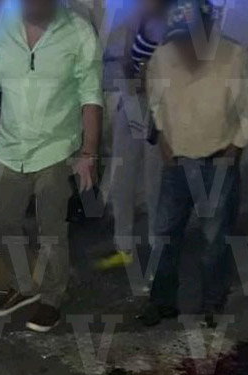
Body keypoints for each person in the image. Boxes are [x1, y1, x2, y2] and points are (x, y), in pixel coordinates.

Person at [0, 0, 104, 332]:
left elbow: (91, 96)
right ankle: (23, 286)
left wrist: (89, 152)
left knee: (51, 230)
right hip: (9, 147)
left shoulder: (79, 32)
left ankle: (52, 297)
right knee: (1, 221)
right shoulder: (1, 26)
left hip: (57, 149)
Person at [137, 0, 248, 326]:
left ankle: (212, 303)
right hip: (177, 162)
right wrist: (163, 137)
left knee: (214, 240)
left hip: (218, 162)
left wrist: (234, 150)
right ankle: (162, 301)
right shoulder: (163, 56)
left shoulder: (234, 56)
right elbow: (156, 102)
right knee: (165, 236)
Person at [94, 0, 168, 273]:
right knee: (122, 175)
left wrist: (147, 81)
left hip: (158, 107)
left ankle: (159, 250)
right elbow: (127, 57)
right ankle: (123, 244)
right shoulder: (138, 15)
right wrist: (131, 82)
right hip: (131, 102)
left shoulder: (173, 18)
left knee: (154, 181)